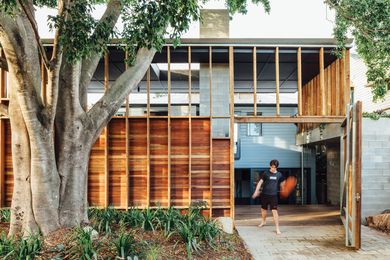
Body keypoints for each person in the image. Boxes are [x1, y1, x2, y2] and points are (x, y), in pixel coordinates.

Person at [251, 159, 285, 235]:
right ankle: (263, 221)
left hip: (273, 196)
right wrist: (256, 191)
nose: (273, 168)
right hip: (265, 195)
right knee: (263, 210)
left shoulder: (279, 174)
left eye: (275, 167)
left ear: (277, 167)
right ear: (270, 166)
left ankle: (277, 228)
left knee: (274, 211)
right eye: (272, 167)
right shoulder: (266, 173)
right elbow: (260, 182)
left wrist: (283, 187)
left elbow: (283, 182)